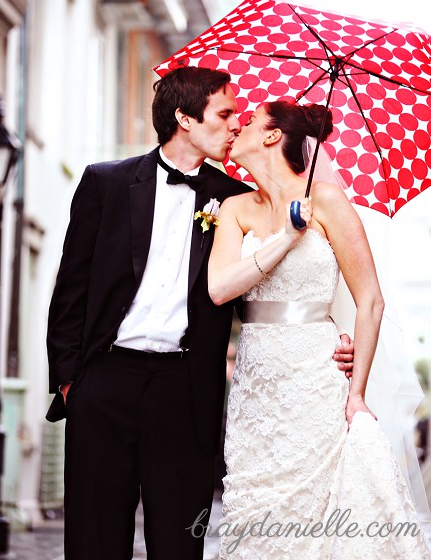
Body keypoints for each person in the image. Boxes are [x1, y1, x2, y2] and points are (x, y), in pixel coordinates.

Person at [45, 66, 355, 560]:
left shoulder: (236, 200)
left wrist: (335, 335)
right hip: (104, 383)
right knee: (93, 543)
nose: (235, 124)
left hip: (186, 392)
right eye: (226, 113)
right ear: (184, 118)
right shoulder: (105, 182)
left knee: (178, 546)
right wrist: (70, 382)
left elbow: (276, 283)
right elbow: (71, 291)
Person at [208, 100, 431, 558]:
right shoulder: (234, 209)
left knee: (321, 518)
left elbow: (370, 300)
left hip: (317, 378)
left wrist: (357, 394)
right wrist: (287, 237)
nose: (236, 128)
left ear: (272, 136)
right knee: (257, 517)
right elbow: (220, 288)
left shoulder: (327, 200)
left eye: (247, 122)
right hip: (257, 389)